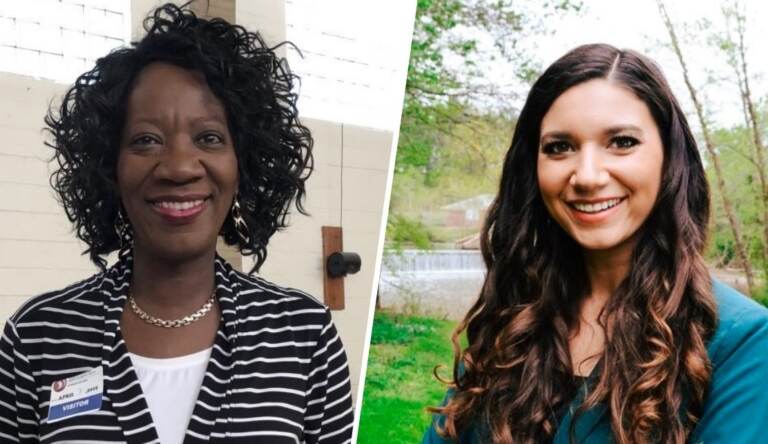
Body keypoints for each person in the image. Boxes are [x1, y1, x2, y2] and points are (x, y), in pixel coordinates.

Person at [0, 4, 353, 443]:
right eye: (146, 140)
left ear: (244, 162)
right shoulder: (38, 336)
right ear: (110, 166)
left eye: (209, 138)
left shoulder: (303, 335)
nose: (180, 167)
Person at [423, 43, 768, 443]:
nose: (587, 175)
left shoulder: (742, 342)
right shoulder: (514, 320)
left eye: (621, 142)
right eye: (559, 147)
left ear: (670, 159)